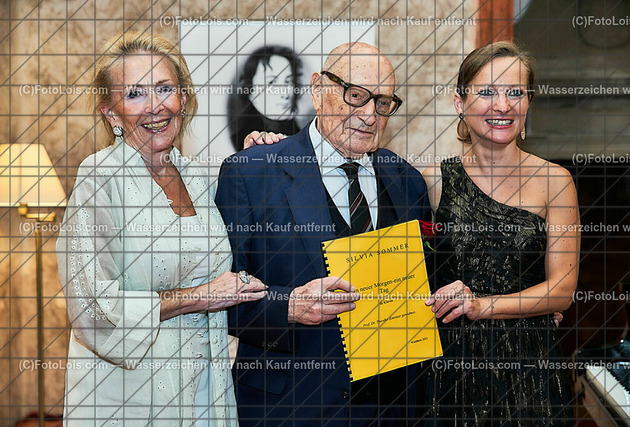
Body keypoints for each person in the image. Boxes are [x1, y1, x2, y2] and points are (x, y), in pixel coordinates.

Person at [56, 32, 269, 426]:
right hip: (129, 395)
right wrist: (200, 296)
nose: (155, 106)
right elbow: (91, 309)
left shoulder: (198, 178)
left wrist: (259, 162)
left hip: (205, 386)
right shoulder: (100, 178)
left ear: (183, 98)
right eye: (135, 93)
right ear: (111, 113)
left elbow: (237, 252)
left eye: (164, 88)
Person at [215, 42, 431, 425]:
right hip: (289, 409)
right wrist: (288, 305)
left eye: (382, 102)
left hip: (390, 408)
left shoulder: (408, 182)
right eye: (356, 95)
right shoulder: (251, 172)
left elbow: (426, 288)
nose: (369, 115)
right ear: (317, 89)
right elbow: (218, 298)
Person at [422, 41, 580, 425]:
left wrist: (482, 306)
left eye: (515, 93)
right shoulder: (432, 181)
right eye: (487, 92)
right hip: (452, 368)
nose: (503, 105)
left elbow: (562, 290)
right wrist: (280, 150)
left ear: (528, 103)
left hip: (531, 368)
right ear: (460, 103)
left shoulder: (555, 182)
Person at [228, 45, 303, 151]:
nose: (285, 93)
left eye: (288, 81)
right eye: (271, 82)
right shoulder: (241, 143)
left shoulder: (301, 136)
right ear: (251, 90)